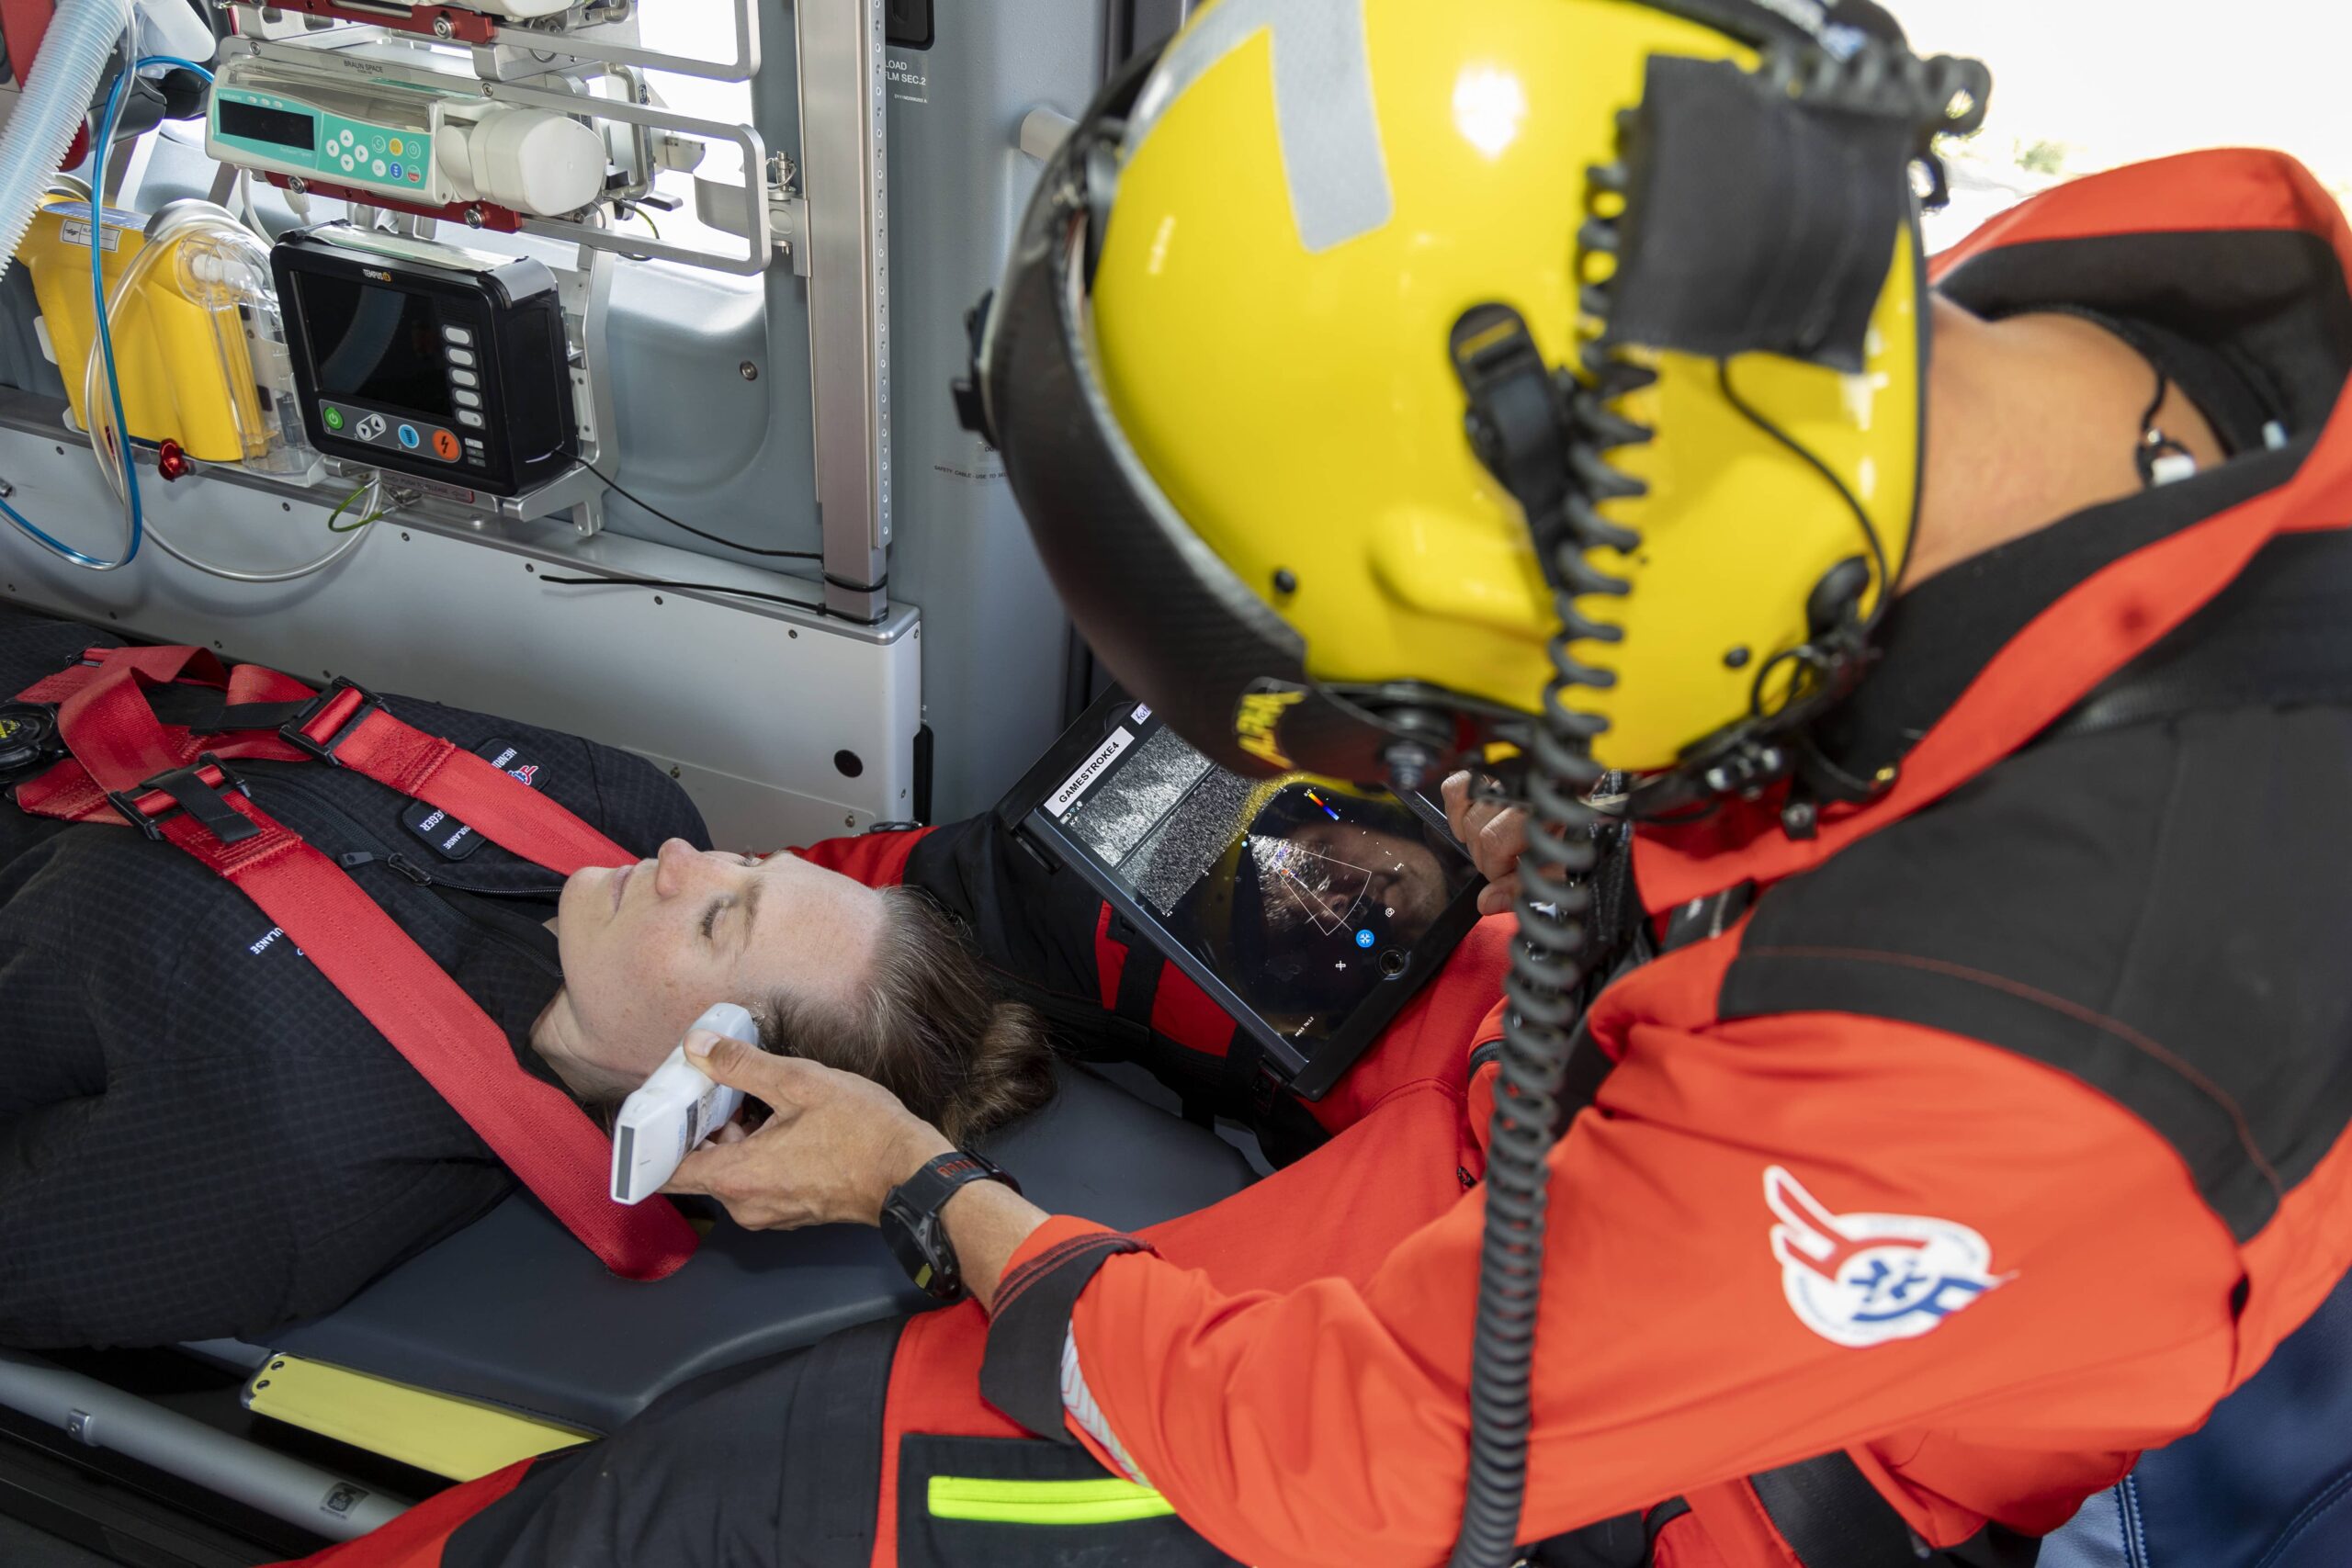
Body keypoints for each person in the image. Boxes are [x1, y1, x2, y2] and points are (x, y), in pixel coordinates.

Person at [279, 3, 2352, 1567]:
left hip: (1741, 1434)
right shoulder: (2151, 286)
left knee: (744, 1499)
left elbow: (1328, 1455)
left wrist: (918, 1187)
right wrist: (1630, 793)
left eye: (1460, 721)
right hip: (1670, 1097)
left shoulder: (2017, 1035)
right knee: (1135, 897)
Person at [0, 600, 1054, 1350]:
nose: (687, 862)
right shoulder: (617, 805)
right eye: (749, 863)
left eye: (721, 919)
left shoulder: (277, 1185)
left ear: (713, 1102)